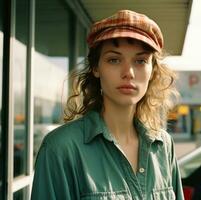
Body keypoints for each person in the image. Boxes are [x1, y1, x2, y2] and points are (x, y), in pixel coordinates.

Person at [31, 9, 183, 200]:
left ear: (152, 70)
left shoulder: (163, 146)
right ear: (96, 68)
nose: (128, 72)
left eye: (140, 61)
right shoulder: (61, 148)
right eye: (114, 59)